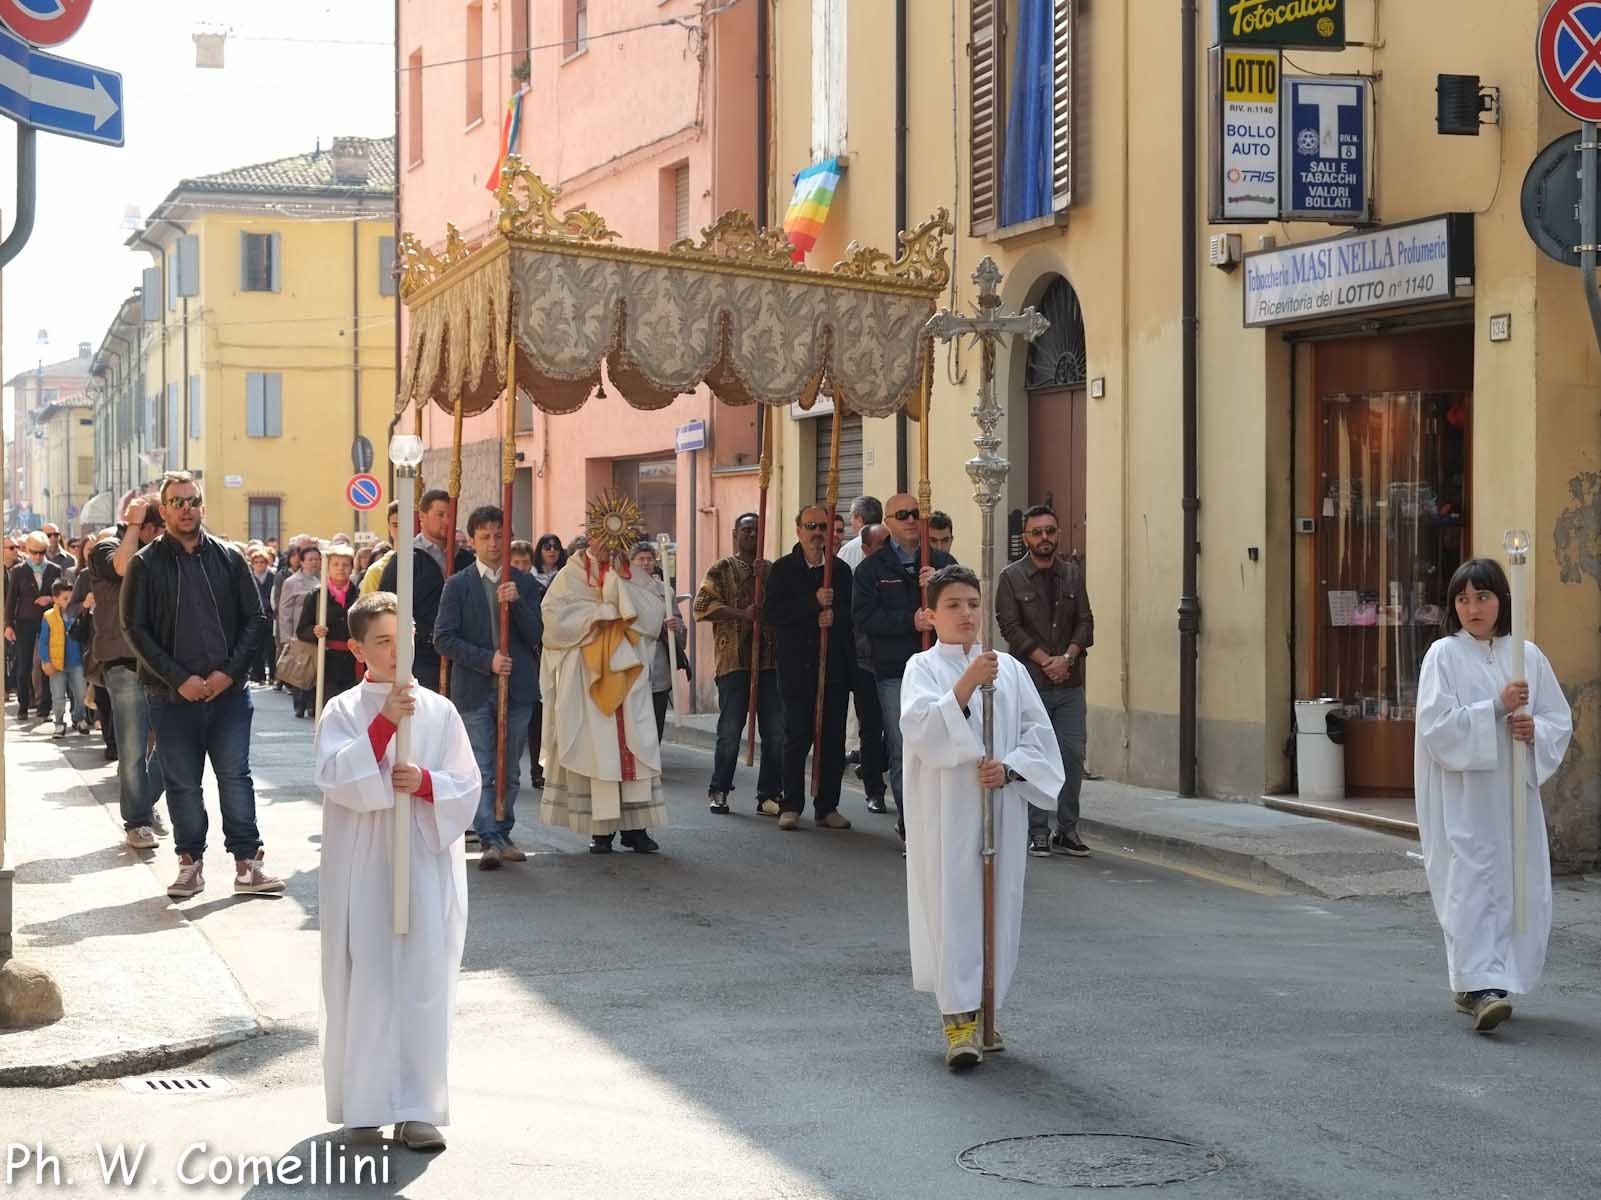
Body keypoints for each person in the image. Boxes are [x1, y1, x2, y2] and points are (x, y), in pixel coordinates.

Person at [314, 591, 479, 1152]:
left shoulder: (439, 710)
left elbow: (467, 782)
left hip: (422, 860)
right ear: (358, 649)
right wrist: (383, 726)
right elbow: (337, 776)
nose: (394, 650)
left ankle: (418, 1107)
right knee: (371, 977)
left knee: (422, 979)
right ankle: (365, 1102)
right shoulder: (342, 710)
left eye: (402, 638)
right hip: (365, 863)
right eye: (381, 641)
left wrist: (427, 784)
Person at [900, 566, 1065, 1069]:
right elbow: (922, 729)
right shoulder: (922, 668)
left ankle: (989, 1008)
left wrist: (1011, 769)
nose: (966, 613)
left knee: (999, 903)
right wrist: (966, 686)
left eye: (973, 603)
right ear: (930, 614)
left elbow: (1040, 735)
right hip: (948, 810)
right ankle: (958, 1022)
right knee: (956, 905)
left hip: (1000, 808)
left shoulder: (1010, 670)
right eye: (952, 604)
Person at [1415, 557, 1573, 1034]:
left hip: (1512, 798)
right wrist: (1496, 709)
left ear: (1502, 599)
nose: (1472, 607)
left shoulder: (1526, 655)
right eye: (1462, 599)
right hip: (1465, 796)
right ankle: (1479, 987)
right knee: (1470, 881)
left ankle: (1490, 980)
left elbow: (1557, 720)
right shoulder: (1444, 655)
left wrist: (1532, 729)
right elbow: (1436, 727)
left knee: (1515, 884)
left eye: (1482, 596)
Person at [121, 471, 282, 900]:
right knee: (183, 783)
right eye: (177, 502)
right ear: (164, 509)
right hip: (171, 696)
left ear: (202, 507)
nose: (186, 508)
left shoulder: (230, 558)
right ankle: (190, 864)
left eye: (192, 501)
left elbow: (256, 620)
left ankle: (248, 865)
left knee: (235, 778)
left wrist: (228, 673)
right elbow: (134, 629)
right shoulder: (144, 563)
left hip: (229, 694)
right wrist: (179, 679)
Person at [540, 514, 668, 853]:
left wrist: (620, 591)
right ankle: (602, 829)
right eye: (599, 538)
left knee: (633, 747)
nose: (606, 545)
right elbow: (552, 619)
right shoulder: (569, 576)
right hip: (587, 676)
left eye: (613, 540)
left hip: (628, 675)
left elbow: (654, 616)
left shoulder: (634, 575)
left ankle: (636, 828)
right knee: (598, 751)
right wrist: (598, 615)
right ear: (589, 538)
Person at [433, 505, 544, 870]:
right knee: (481, 765)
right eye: (485, 537)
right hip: (475, 689)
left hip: (518, 689)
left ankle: (503, 827)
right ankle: (489, 836)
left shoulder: (525, 583)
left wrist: (518, 606)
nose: (493, 543)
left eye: (499, 535)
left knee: (510, 767)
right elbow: (444, 639)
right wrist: (487, 660)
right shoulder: (458, 584)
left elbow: (540, 634)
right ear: (473, 540)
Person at [852, 493, 956, 840]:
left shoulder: (942, 562)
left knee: (946, 743)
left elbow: (966, 607)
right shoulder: (872, 569)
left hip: (941, 667)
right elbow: (865, 618)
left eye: (916, 514)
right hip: (896, 671)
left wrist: (940, 586)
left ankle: (942, 821)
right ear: (889, 523)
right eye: (903, 515)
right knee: (904, 747)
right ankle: (912, 824)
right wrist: (909, 620)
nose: (912, 520)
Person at [994, 505, 1094, 859]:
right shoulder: (1010, 577)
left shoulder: (1072, 574)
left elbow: (1086, 622)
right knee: (1034, 757)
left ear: (1058, 535)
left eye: (1050, 531)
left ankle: (1068, 830)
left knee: (1070, 756)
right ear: (1026, 538)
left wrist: (1066, 659)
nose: (1044, 538)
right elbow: (1010, 628)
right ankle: (1037, 831)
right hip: (1030, 684)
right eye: (1037, 532)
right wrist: (1045, 662)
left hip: (1069, 685)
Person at [763, 506, 854, 831]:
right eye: (811, 526)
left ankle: (827, 806)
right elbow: (772, 613)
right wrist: (813, 603)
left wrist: (836, 617)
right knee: (796, 736)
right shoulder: (783, 570)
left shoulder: (840, 571)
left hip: (833, 669)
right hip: (796, 668)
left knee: (833, 739)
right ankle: (791, 804)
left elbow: (853, 613)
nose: (817, 532)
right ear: (798, 529)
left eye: (823, 527)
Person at [692, 513, 783, 816]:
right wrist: (741, 614)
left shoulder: (771, 570)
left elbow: (786, 607)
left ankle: (769, 793)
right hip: (733, 661)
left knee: (775, 731)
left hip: (769, 661)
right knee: (730, 730)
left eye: (757, 530)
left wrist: (767, 579)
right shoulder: (721, 569)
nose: (752, 536)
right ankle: (719, 789)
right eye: (746, 530)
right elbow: (701, 607)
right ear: (735, 533)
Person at [91, 495, 167, 850]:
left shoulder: (163, 553)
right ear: (150, 527)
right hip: (123, 661)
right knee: (134, 747)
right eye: (160, 528)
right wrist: (134, 525)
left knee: (174, 742)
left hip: (163, 662)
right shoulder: (106, 546)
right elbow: (122, 568)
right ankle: (137, 820)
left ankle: (145, 801)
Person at [379, 490, 476, 692]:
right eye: (440, 514)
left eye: (451, 515)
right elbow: (386, 604)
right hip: (420, 655)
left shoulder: (466, 560)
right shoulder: (407, 558)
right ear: (422, 516)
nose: (447, 521)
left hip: (461, 654)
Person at [630, 541, 687, 743]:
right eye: (641, 559)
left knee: (657, 719)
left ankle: (654, 764)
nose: (645, 563)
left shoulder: (666, 591)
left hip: (660, 663)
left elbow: (680, 624)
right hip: (634, 663)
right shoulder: (624, 590)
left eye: (649, 559)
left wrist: (675, 625)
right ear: (632, 562)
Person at [5, 532, 62, 721]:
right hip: (24, 621)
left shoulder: (54, 569)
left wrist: (50, 599)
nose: (38, 556)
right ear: (28, 551)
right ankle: (23, 704)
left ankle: (45, 705)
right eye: (34, 552)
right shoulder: (19, 570)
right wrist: (8, 625)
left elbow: (62, 596)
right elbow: (11, 600)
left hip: (47, 621)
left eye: (42, 552)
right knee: (24, 663)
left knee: (46, 661)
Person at [299, 543, 360, 711]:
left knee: (350, 710)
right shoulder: (317, 595)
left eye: (345, 564)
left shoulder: (359, 594)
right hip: (326, 663)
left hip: (352, 662)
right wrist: (314, 631)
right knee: (328, 709)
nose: (341, 568)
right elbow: (301, 630)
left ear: (351, 567)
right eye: (336, 564)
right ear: (328, 567)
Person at [508, 540, 548, 789]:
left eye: (525, 562)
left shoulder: (533, 587)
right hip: (509, 661)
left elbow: (538, 627)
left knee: (537, 718)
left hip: (534, 661)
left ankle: (538, 769)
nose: (521, 567)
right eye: (516, 563)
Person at [38, 579, 88, 738]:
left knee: (81, 694)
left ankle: (79, 718)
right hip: (56, 663)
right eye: (65, 598)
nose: (69, 602)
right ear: (55, 599)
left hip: (76, 662)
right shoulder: (49, 617)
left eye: (71, 598)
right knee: (58, 697)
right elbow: (43, 641)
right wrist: (46, 660)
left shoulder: (78, 613)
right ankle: (59, 723)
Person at [279, 544, 323, 718]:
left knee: (317, 670)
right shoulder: (292, 582)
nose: (314, 563)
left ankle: (313, 704)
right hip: (300, 632)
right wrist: (286, 637)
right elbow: (284, 611)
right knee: (301, 669)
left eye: (317, 559)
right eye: (310, 559)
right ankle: (300, 704)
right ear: (302, 562)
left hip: (319, 631)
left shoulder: (324, 579)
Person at [247, 545, 276, 685]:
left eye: (262, 562)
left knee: (270, 647)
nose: (259, 565)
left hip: (270, 616)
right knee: (256, 647)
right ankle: (258, 675)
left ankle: (272, 675)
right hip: (254, 616)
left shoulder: (273, 576)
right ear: (252, 564)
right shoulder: (248, 576)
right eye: (256, 562)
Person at [360, 502, 402, 595]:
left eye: (405, 524)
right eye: (395, 525)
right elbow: (367, 607)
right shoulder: (376, 571)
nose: (401, 530)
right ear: (389, 527)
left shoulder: (425, 562)